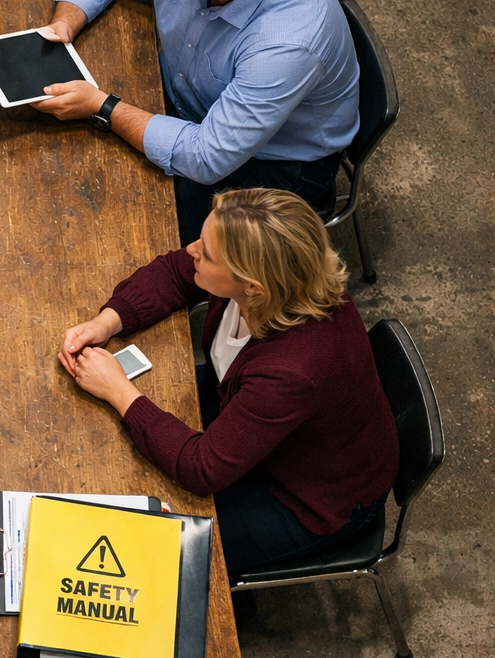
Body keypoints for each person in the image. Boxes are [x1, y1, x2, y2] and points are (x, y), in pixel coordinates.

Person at [58, 188, 398, 575]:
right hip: (253, 413)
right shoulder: (277, 280)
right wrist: (109, 320)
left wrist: (119, 390)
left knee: (149, 558)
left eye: (207, 252)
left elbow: (202, 468)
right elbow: (175, 272)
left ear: (253, 286)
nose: (191, 250)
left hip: (309, 497)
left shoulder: (292, 370)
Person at [33, 0, 360, 245]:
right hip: (190, 99)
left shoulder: (286, 45)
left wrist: (102, 106)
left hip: (276, 161)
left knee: (141, 244)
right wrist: (66, 21)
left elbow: (207, 156)